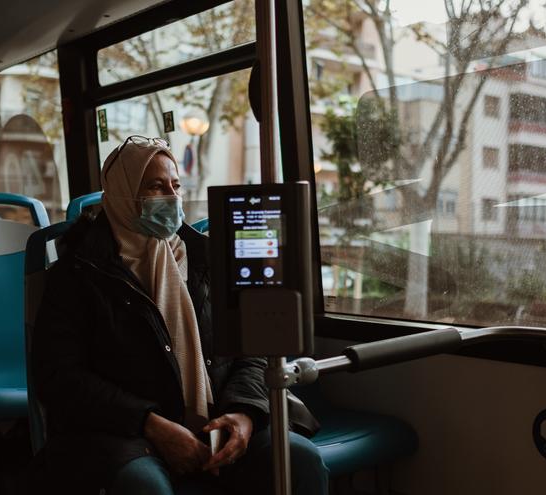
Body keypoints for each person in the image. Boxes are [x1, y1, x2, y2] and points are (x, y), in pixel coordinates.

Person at [31, 135, 328, 495]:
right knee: (145, 487)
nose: (171, 197)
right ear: (123, 194)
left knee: (299, 459)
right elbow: (59, 376)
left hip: (221, 413)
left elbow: (254, 346)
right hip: (127, 430)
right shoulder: (79, 272)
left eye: (175, 185)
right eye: (155, 187)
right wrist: (149, 423)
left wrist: (244, 414)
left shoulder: (207, 258)